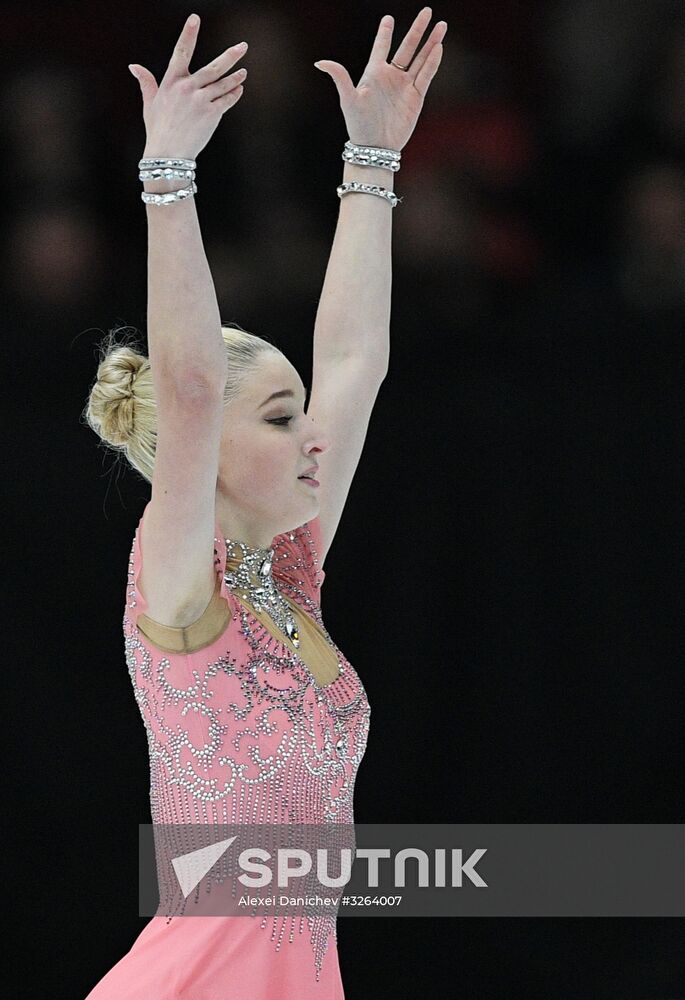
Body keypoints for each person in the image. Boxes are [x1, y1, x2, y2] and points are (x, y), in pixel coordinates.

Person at [82, 8, 446, 998]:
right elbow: (192, 387)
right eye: (282, 417)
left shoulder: (286, 570)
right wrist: (168, 177)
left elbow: (354, 361)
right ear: (204, 451)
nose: (311, 436)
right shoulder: (180, 589)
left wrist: (372, 157)